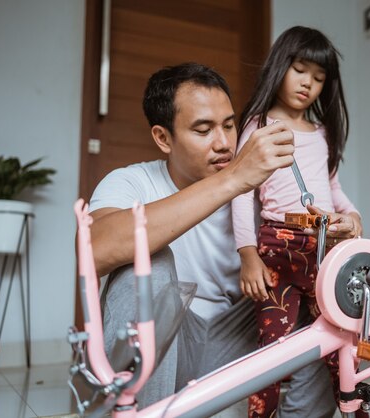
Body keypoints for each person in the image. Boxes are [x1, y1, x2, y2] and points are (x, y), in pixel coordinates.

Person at [86, 62, 347, 416]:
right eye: (203, 130)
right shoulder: (131, 183)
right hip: (170, 340)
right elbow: (96, 249)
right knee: (144, 264)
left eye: (228, 125)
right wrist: (233, 180)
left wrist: (336, 228)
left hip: (238, 337)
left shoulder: (266, 188)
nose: (224, 143)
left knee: (322, 292)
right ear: (163, 138)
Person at [231, 26, 364, 418]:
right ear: (280, 66)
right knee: (272, 353)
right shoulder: (258, 125)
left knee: (344, 347)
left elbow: (334, 188)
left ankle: (357, 411)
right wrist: (248, 256)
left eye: (319, 78)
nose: (308, 84)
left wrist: (353, 217)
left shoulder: (322, 133)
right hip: (278, 251)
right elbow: (241, 192)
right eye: (300, 70)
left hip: (327, 251)